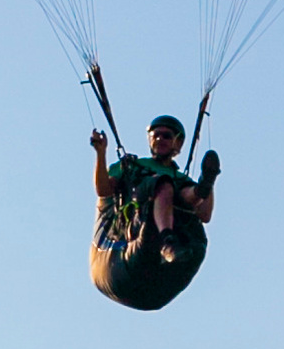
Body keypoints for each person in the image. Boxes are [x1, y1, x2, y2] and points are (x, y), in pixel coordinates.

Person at [92, 114, 219, 272]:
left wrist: (209, 185)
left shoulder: (180, 177)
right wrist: (101, 153)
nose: (160, 139)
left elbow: (205, 215)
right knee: (164, 185)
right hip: (136, 221)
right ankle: (167, 242)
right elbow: (103, 190)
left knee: (185, 192)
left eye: (166, 136)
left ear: (178, 143)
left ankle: (202, 187)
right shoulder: (132, 165)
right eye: (155, 135)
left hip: (177, 210)